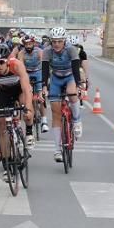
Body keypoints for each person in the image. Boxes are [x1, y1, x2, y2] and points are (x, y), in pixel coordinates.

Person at [0, 43, 34, 180]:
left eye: (1, 62)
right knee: (2, 125)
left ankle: (28, 133)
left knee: (26, 107)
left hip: (19, 90)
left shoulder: (17, 65)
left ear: (7, 61)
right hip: (3, 92)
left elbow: (27, 90)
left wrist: (27, 108)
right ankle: (7, 164)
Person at [42, 26, 84, 163]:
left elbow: (76, 68)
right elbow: (45, 70)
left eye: (59, 41)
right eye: (54, 41)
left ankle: (77, 121)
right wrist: (43, 86)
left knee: (72, 94)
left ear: (64, 41)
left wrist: (78, 84)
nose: (56, 44)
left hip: (69, 76)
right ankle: (57, 150)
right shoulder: (47, 51)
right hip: (56, 79)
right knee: (55, 113)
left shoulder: (71, 49)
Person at [17, 33, 47, 133]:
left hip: (38, 71)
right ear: (24, 44)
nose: (28, 46)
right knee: (26, 92)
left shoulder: (39, 51)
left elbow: (44, 65)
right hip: (27, 72)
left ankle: (44, 121)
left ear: (33, 43)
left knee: (40, 96)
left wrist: (45, 79)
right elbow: (20, 67)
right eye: (26, 44)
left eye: (30, 44)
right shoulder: (21, 53)